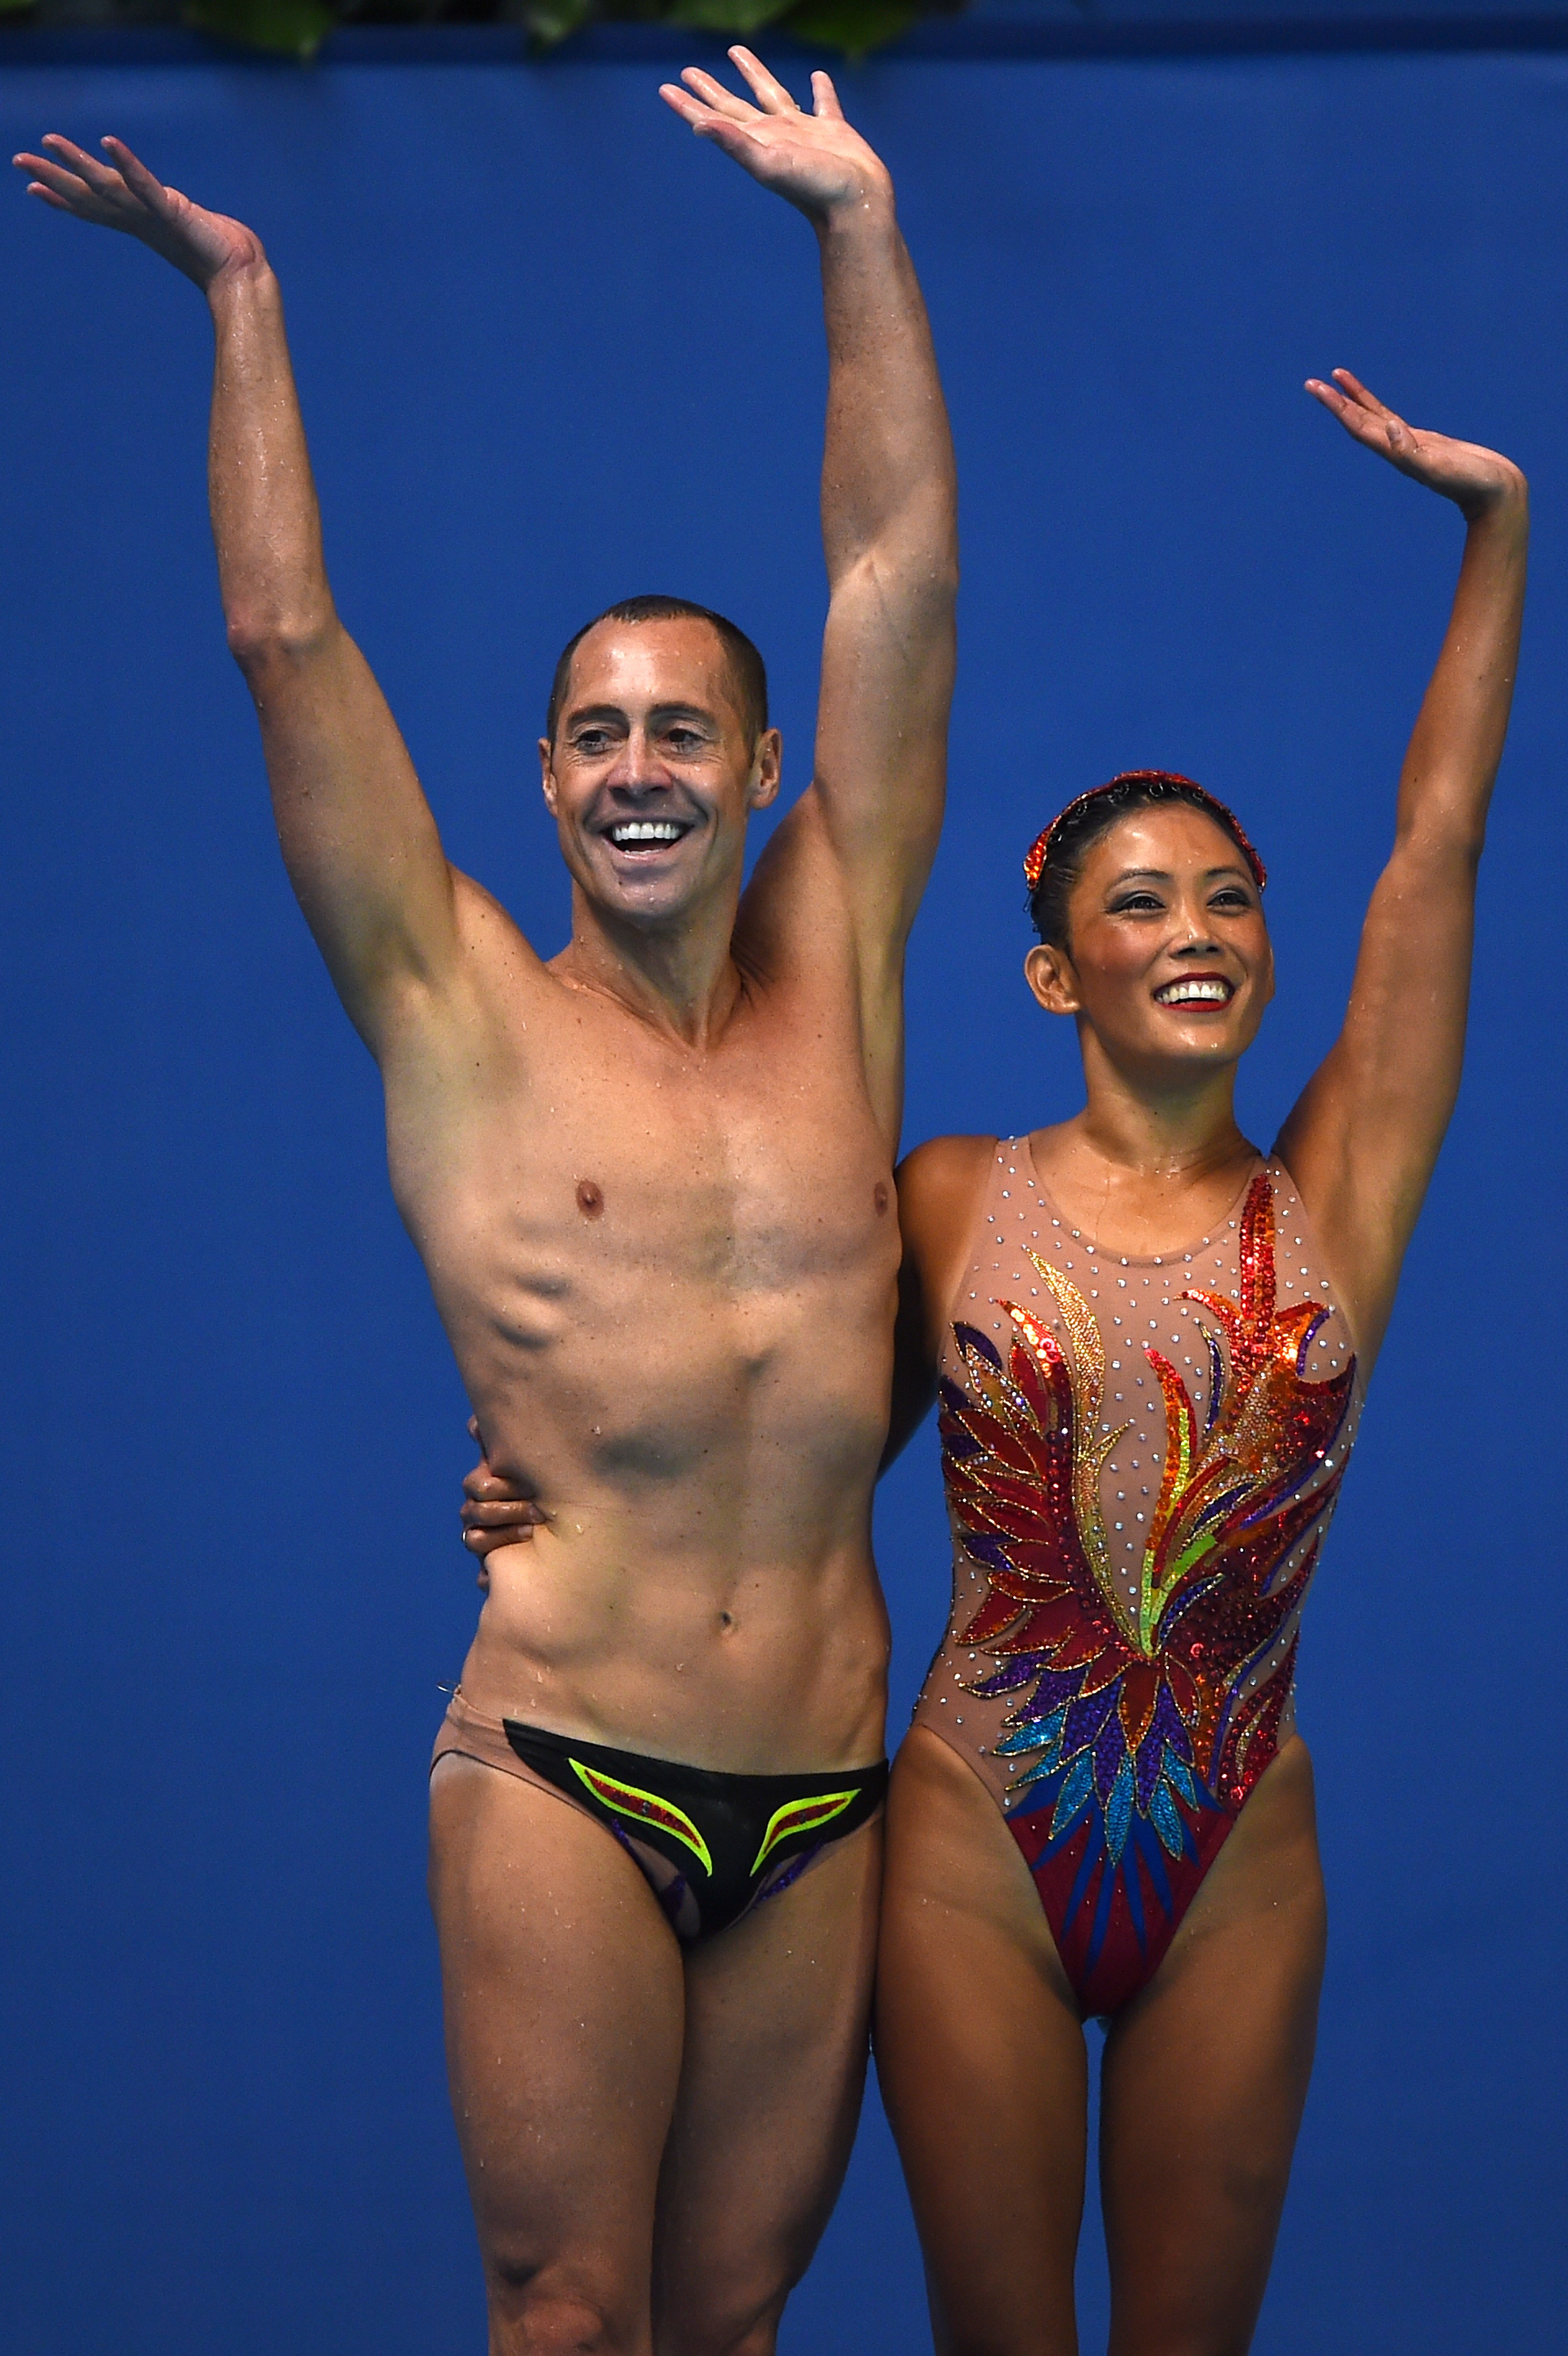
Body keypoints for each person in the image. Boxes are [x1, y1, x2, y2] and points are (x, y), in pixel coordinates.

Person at [15, 49, 957, 2356]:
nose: (640, 769)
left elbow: (890, 566)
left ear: (756, 773)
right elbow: (283, 643)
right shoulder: (447, 998)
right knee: (567, 2310)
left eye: (683, 733)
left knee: (728, 2322)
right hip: (564, 1754)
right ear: (542, 773)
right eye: (597, 734)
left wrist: (856, 229)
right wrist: (237, 293)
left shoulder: (844, 952)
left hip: (827, 1778)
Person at [466, 370, 1526, 2354]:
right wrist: (558, 1482)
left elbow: (1438, 844)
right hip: (976, 1839)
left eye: (1228, 897)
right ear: (1057, 970)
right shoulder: (953, 1193)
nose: (1195, 928)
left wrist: (1497, 535)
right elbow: (763, 1413)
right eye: (1140, 903)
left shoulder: (1337, 1203)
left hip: (1237, 1840)